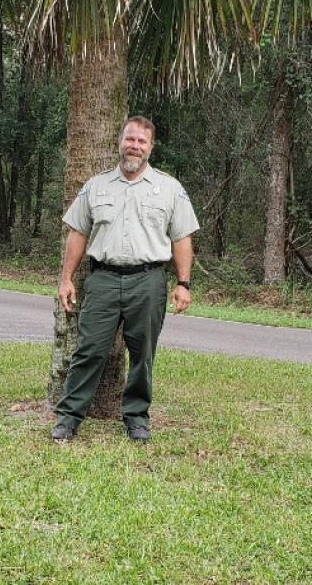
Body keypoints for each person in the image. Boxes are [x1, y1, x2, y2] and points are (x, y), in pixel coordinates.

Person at [51, 116, 199, 443]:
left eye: (141, 141)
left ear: (151, 147)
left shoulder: (170, 189)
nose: (135, 146)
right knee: (88, 351)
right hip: (102, 280)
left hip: (148, 281)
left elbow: (182, 239)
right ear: (120, 142)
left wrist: (183, 283)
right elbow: (77, 233)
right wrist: (66, 278)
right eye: (130, 139)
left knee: (142, 354)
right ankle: (69, 417)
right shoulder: (96, 185)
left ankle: (136, 418)